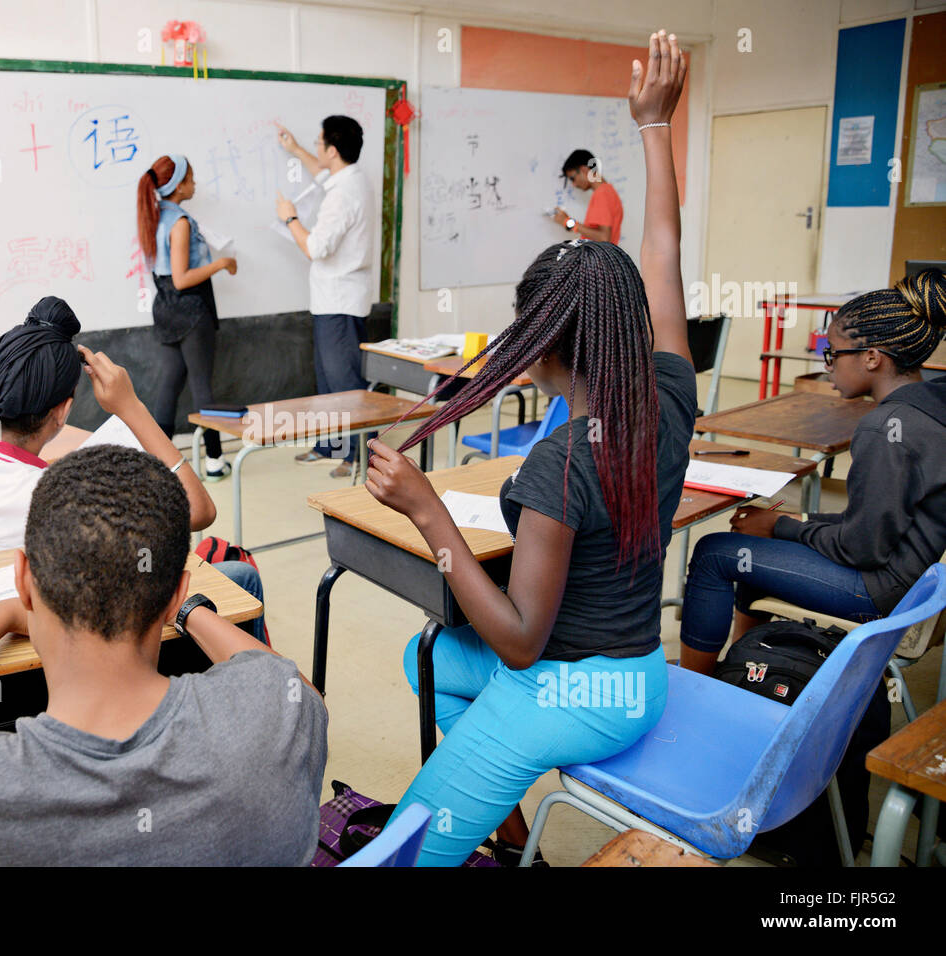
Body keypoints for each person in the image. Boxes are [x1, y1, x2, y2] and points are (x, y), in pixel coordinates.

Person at [358, 31, 691, 866]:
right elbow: (664, 254)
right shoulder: (670, 397)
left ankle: (484, 792)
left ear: (542, 346)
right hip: (640, 677)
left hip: (571, 690)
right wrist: (655, 125)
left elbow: (519, 641)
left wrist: (427, 510)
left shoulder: (562, 462)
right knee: (423, 656)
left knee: (402, 855)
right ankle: (510, 832)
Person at [0, 445, 328, 866]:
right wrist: (186, 611)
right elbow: (295, 686)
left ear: (23, 579)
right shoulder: (279, 714)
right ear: (175, 591)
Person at [0, 295, 267, 646]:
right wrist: (132, 408)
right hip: (68, 663)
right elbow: (201, 510)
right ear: (63, 412)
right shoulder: (68, 497)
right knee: (241, 576)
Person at [679, 268, 946, 674]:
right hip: (916, 583)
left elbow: (862, 548)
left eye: (833, 354)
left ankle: (694, 686)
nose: (828, 368)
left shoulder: (886, 428)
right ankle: (746, 668)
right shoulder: (929, 403)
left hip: (880, 592)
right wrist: (789, 523)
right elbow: (877, 521)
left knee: (713, 553)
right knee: (757, 558)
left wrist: (783, 527)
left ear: (872, 357)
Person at [275, 115, 375, 479]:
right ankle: (329, 445)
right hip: (332, 299)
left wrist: (290, 219)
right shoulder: (348, 178)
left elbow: (315, 248)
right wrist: (296, 148)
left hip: (340, 301)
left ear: (333, 150)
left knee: (345, 382)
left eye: (319, 144)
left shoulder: (343, 194)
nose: (317, 150)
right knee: (328, 381)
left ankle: (361, 455)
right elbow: (320, 171)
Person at [137, 154, 238, 482]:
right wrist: (221, 264)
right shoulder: (179, 222)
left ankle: (158, 463)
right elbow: (181, 279)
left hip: (166, 309)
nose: (195, 184)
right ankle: (214, 460)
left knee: (170, 383)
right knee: (201, 387)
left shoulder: (154, 217)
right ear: (178, 186)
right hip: (190, 311)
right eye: (191, 179)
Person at [552, 148, 624, 244]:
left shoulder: (602, 193)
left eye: (573, 178)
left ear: (584, 170)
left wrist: (568, 222)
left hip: (600, 258)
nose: (574, 184)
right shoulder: (607, 191)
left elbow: (604, 237)